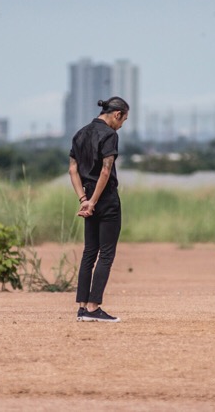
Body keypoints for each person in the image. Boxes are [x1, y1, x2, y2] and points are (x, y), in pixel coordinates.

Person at [68, 97, 129, 323]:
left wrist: (84, 199)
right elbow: (106, 171)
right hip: (106, 198)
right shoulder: (110, 135)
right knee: (106, 253)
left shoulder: (80, 134)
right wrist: (94, 201)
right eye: (123, 120)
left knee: (89, 252)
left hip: (87, 193)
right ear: (117, 114)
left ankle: (83, 308)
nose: (121, 125)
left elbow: (72, 170)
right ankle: (94, 308)